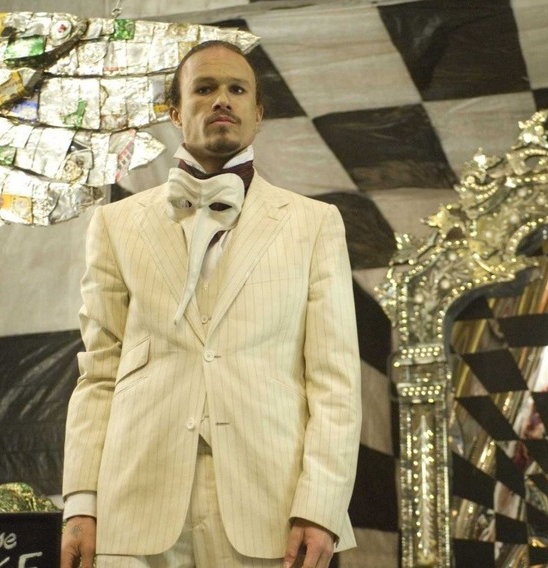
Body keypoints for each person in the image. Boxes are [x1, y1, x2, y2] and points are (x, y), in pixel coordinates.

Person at [60, 40, 361, 568]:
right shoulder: (115, 223)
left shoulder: (314, 223)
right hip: (134, 503)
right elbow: (99, 372)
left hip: (268, 507)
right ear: (176, 112)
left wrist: (321, 507)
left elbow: (334, 382)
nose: (222, 99)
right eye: (204, 88)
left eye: (236, 89)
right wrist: (81, 503)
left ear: (258, 113)